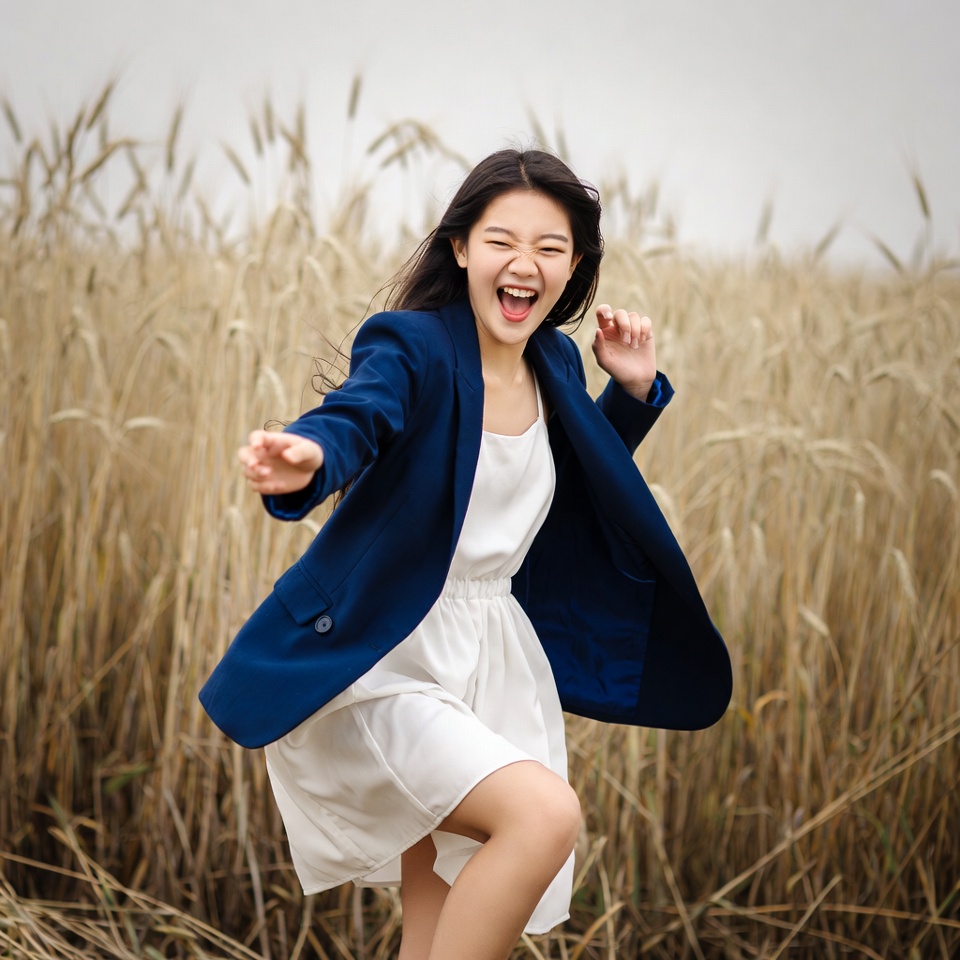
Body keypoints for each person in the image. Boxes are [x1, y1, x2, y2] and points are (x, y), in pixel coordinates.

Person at [199, 148, 731, 960]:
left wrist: (627, 394)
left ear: (575, 266)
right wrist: (308, 457)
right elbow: (358, 415)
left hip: (489, 658)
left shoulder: (552, 358)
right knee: (543, 815)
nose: (525, 266)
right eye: (501, 242)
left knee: (436, 917)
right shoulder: (411, 347)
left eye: (551, 249)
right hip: (388, 657)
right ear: (460, 248)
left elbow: (563, 484)